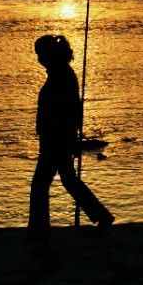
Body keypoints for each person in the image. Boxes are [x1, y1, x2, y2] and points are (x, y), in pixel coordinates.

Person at [28, 34, 114, 234]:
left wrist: (67, 136)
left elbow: (66, 109)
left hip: (56, 138)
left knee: (41, 183)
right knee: (67, 179)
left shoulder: (61, 76)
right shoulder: (60, 73)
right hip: (58, 137)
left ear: (49, 54)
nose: (38, 58)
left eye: (40, 54)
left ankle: (38, 227)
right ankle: (101, 216)